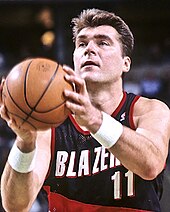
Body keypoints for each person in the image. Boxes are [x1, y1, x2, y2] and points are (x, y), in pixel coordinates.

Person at [0, 8, 170, 212]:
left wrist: (94, 120)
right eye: (82, 44)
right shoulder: (49, 127)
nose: (89, 49)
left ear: (126, 63)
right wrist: (25, 143)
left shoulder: (148, 110)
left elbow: (150, 165)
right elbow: (15, 206)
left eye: (103, 43)